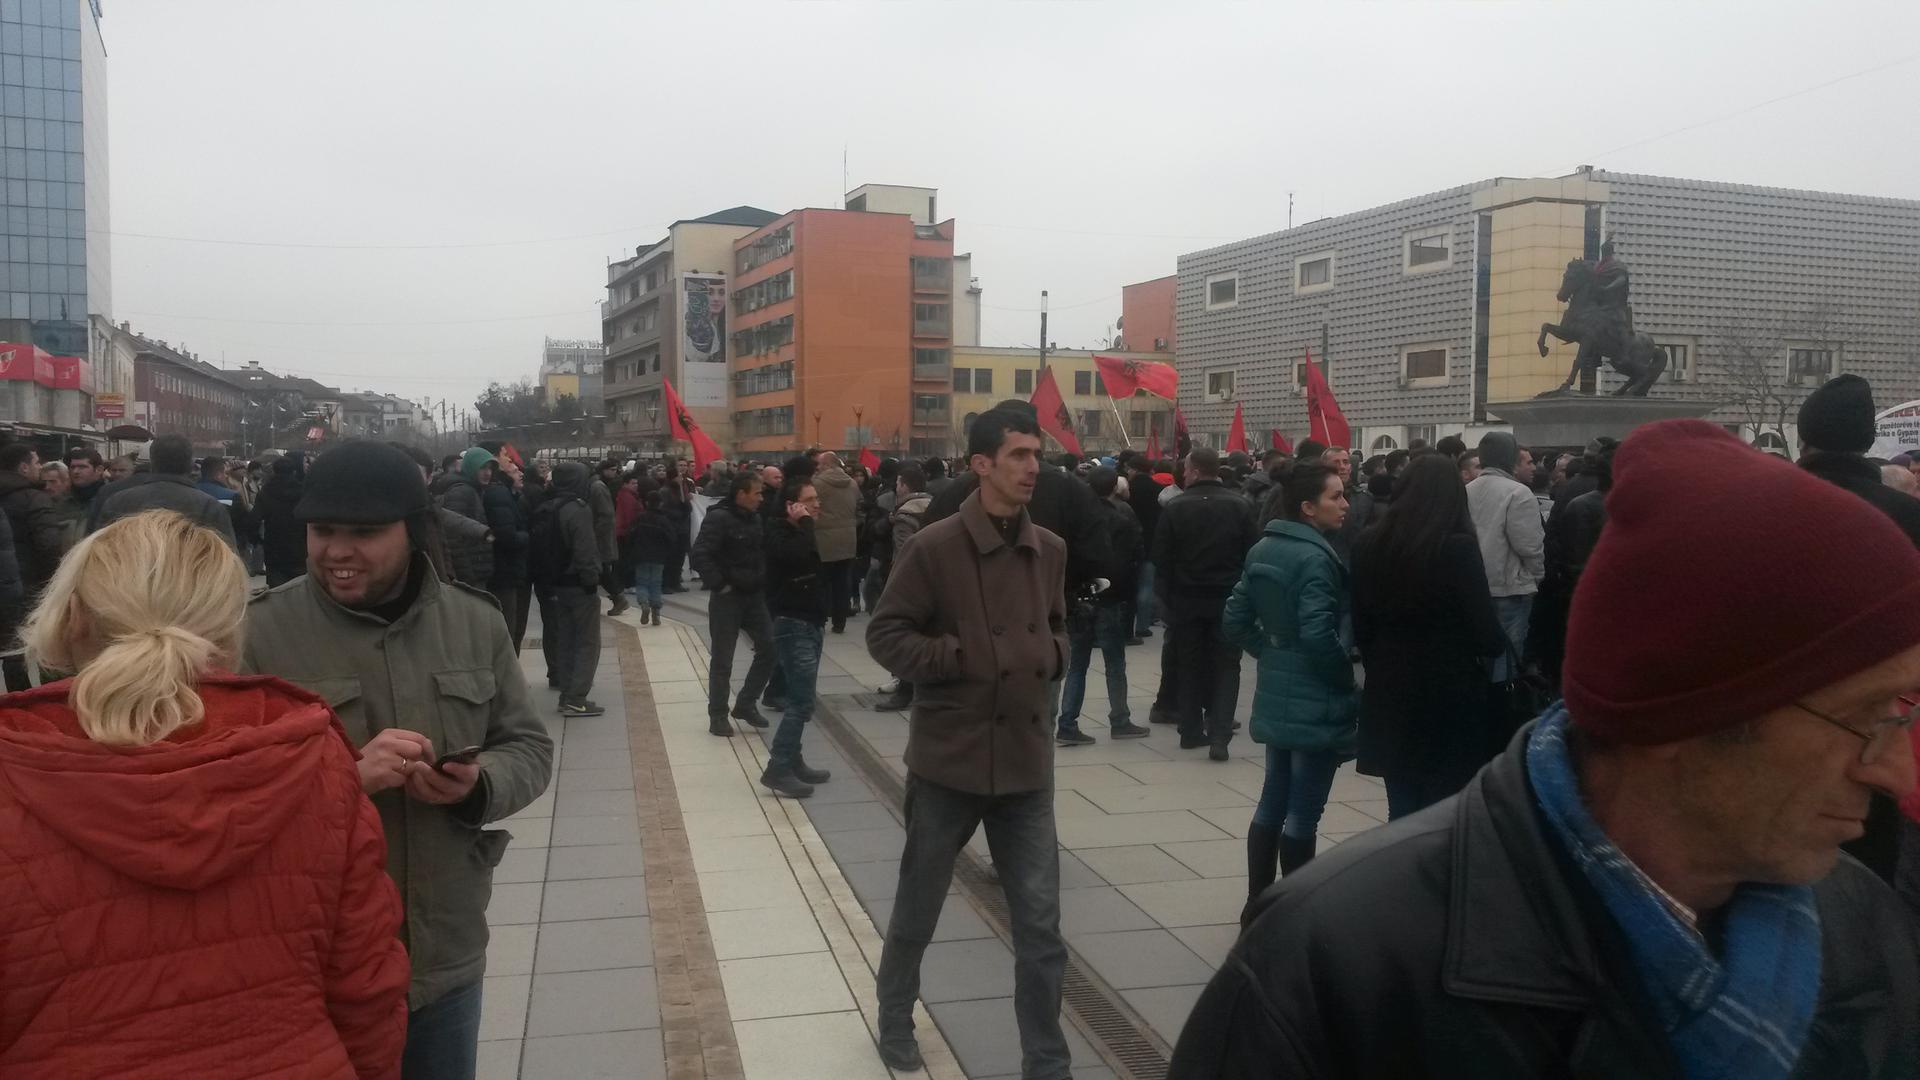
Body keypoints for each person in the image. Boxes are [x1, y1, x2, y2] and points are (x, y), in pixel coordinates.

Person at [1171, 420, 1920, 1079]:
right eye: (1863, 717)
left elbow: (1335, 620)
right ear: (1682, 714)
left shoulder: (1864, 925)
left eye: (1905, 712)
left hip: (1388, 698)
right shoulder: (1336, 963)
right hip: (1445, 698)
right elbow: (1479, 616)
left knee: (1347, 800)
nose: (1897, 768)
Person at [0, 510, 410, 1077]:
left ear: (72, 617)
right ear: (228, 628)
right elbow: (366, 989)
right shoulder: (312, 756)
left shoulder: (15, 767)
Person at [242, 440, 553, 1080]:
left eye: (363, 533)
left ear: (412, 531)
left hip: (444, 954)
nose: (337, 551)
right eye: (323, 531)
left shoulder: (476, 622)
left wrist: (478, 785)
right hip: (318, 965)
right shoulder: (255, 636)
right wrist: (344, 780)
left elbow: (528, 746)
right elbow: (224, 797)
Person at [867, 407, 1071, 1077]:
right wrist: (958, 656)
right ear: (981, 464)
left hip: (1026, 765)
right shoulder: (935, 546)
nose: (1033, 467)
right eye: (1018, 455)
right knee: (919, 906)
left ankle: (1047, 1060)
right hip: (949, 761)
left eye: (1037, 454)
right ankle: (895, 1015)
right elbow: (886, 635)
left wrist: (1053, 654)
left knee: (1040, 927)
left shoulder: (1050, 548)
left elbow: (1056, 625)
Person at [1225, 463, 1356, 904]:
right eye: (1335, 496)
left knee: (1272, 800)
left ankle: (1257, 904)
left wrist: (1271, 651)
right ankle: (1294, 911)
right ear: (1307, 507)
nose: (1345, 504)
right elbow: (1318, 634)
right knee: (1303, 812)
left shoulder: (1264, 548)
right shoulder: (1316, 557)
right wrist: (1344, 676)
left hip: (1278, 683)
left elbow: (1235, 619)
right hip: (1314, 690)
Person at [1350, 455, 1506, 819]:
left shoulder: (1368, 543)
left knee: (1401, 803)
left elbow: (1360, 623)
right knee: (1443, 808)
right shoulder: (1457, 548)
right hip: (1449, 690)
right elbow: (1486, 633)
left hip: (1390, 685)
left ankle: (1400, 856)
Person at [1155, 447, 1259, 760]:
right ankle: (1220, 735)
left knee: (1189, 664)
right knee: (1227, 665)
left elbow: (1162, 558)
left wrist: (1167, 600)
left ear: (1197, 471)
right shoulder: (1239, 506)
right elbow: (1252, 555)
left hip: (1186, 600)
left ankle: (1190, 729)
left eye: (1186, 469)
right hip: (1228, 598)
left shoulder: (1175, 507)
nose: (1184, 475)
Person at [1057, 466, 1150, 745]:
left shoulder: (1075, 518)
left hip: (1080, 596)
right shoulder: (1122, 518)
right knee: (1114, 662)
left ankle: (1067, 722)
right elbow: (1134, 558)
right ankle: (1119, 719)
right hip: (1110, 596)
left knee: (1077, 663)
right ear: (1113, 488)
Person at [760, 475, 834, 798]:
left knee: (799, 696)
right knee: (801, 702)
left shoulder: (799, 531)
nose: (816, 504)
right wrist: (804, 524)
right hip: (793, 624)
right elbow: (797, 558)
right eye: (809, 500)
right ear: (791, 505)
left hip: (810, 621)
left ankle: (793, 759)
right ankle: (777, 767)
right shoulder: (778, 532)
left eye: (817, 498)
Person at [691, 471, 776, 737]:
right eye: (757, 493)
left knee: (770, 648)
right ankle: (718, 715)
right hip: (727, 598)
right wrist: (719, 584)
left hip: (754, 596)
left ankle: (746, 703)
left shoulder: (755, 518)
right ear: (741, 494)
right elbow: (700, 553)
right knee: (723, 659)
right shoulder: (719, 517)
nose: (761, 498)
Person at [526, 462, 606, 717]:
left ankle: (566, 692)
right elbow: (585, 549)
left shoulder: (546, 507)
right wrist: (592, 579)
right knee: (587, 641)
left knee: (565, 639)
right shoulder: (577, 509)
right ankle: (577, 697)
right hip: (578, 584)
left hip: (554, 583)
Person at [1466, 431, 1544, 687]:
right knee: (1508, 656)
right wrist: (1536, 576)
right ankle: (1504, 701)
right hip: (1511, 587)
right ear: (1510, 457)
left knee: (1480, 653)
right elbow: (1529, 545)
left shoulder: (1466, 490)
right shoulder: (1518, 493)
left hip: (1475, 586)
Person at [91, 436, 238, 548]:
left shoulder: (118, 501)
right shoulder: (208, 506)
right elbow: (226, 558)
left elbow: (98, 551)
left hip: (130, 577)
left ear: (152, 462)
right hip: (189, 578)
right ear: (190, 464)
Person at [0, 442, 63, 600]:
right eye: (36, 463)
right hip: (29, 585)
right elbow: (49, 545)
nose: (40, 467)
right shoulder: (34, 499)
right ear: (24, 467)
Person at [481, 453, 531, 650]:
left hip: (507, 571)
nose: (520, 473)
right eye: (514, 468)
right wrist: (526, 536)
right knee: (509, 630)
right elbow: (506, 536)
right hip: (504, 572)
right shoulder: (499, 494)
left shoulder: (508, 494)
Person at [812, 451, 860, 633]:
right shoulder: (852, 483)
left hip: (823, 538)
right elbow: (858, 507)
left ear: (826, 465)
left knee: (822, 582)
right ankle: (840, 622)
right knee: (842, 582)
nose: (817, 468)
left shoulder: (817, 483)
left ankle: (821, 619)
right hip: (848, 538)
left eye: (819, 464)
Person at [1125, 454, 1165, 641]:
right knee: (1146, 586)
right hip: (1151, 543)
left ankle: (1127, 625)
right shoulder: (1158, 490)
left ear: (1134, 469)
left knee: (1129, 585)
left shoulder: (1127, 490)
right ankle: (1142, 626)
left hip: (1129, 544)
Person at [254, 454, 307, 586]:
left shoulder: (266, 492)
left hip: (274, 548)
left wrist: (257, 540)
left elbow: (254, 520)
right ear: (294, 471)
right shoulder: (303, 491)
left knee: (277, 591)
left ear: (274, 471)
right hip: (300, 548)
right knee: (301, 589)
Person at [629, 488, 675, 626]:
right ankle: (656, 613)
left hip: (641, 556)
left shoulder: (639, 518)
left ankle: (644, 603)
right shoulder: (664, 520)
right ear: (660, 503)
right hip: (658, 557)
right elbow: (671, 538)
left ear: (647, 503)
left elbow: (630, 536)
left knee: (642, 582)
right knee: (656, 584)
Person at [591, 458, 628, 616]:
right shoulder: (598, 485)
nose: (615, 473)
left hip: (600, 537)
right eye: (612, 470)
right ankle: (618, 597)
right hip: (601, 536)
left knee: (602, 569)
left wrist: (595, 534)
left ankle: (618, 598)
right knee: (602, 569)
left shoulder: (598, 486)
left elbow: (606, 515)